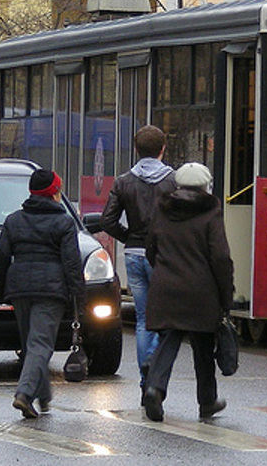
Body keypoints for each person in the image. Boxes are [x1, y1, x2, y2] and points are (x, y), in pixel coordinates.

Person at [142, 162, 234, 422]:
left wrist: (163, 271)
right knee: (203, 346)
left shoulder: (163, 208)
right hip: (201, 291)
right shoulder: (211, 212)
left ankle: (154, 389)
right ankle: (207, 402)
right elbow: (221, 257)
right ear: (206, 187)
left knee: (168, 339)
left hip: (166, 286)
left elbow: (151, 247)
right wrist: (226, 295)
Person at [0, 169, 85, 419]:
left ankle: (42, 397)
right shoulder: (64, 222)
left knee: (32, 344)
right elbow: (72, 263)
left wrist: (0, 290)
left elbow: (0, 256)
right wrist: (78, 296)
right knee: (41, 344)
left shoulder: (14, 220)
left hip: (20, 287)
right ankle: (24, 394)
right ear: (54, 192)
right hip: (50, 289)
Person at [100, 125, 177, 403]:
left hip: (133, 254)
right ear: (162, 149)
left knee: (143, 318)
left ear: (136, 149)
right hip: (164, 257)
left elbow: (107, 221)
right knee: (166, 317)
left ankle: (145, 381)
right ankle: (154, 360)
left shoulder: (123, 181)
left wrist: (130, 237)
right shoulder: (173, 181)